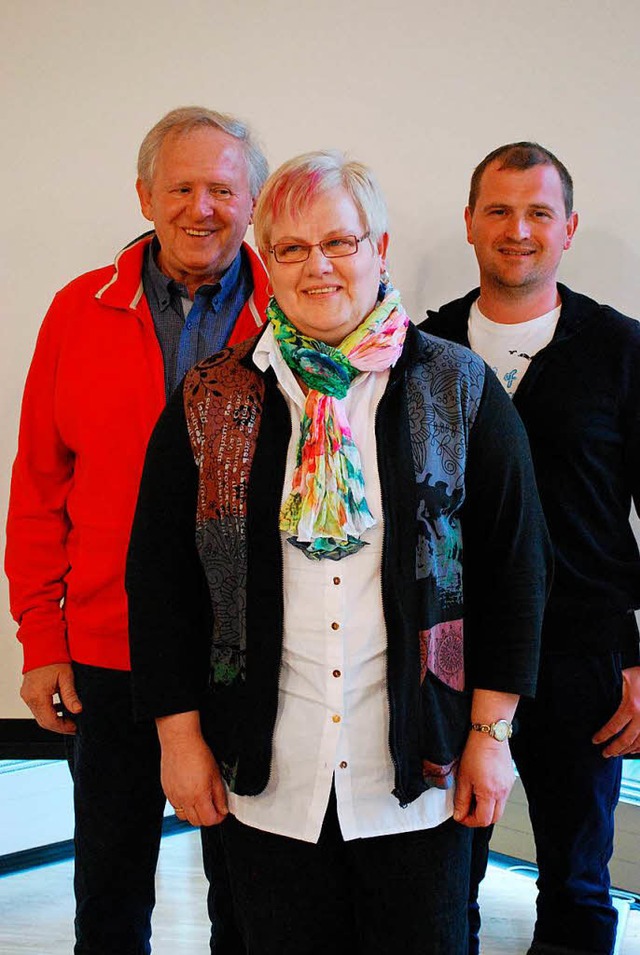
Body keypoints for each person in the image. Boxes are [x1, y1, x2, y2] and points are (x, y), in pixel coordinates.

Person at [126, 149, 551, 955]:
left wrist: (491, 738)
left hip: (418, 777)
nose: (317, 266)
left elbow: (517, 571)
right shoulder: (213, 398)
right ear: (267, 261)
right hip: (264, 776)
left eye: (340, 243)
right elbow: (162, 585)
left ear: (379, 248)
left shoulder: (458, 389)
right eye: (290, 248)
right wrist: (179, 742)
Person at [5, 106, 269, 955]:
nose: (203, 208)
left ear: (252, 200)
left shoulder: (293, 317)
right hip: (108, 654)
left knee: (251, 897)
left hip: (247, 654)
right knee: (110, 894)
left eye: (223, 189)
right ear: (145, 196)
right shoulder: (78, 310)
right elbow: (40, 488)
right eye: (182, 187)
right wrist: (41, 635)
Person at [421, 142, 640, 955]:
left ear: (568, 228)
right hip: (451, 657)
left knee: (579, 882)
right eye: (500, 211)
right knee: (445, 876)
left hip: (583, 656)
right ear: (471, 225)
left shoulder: (621, 349)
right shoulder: (421, 348)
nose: (519, 230)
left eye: (539, 212)